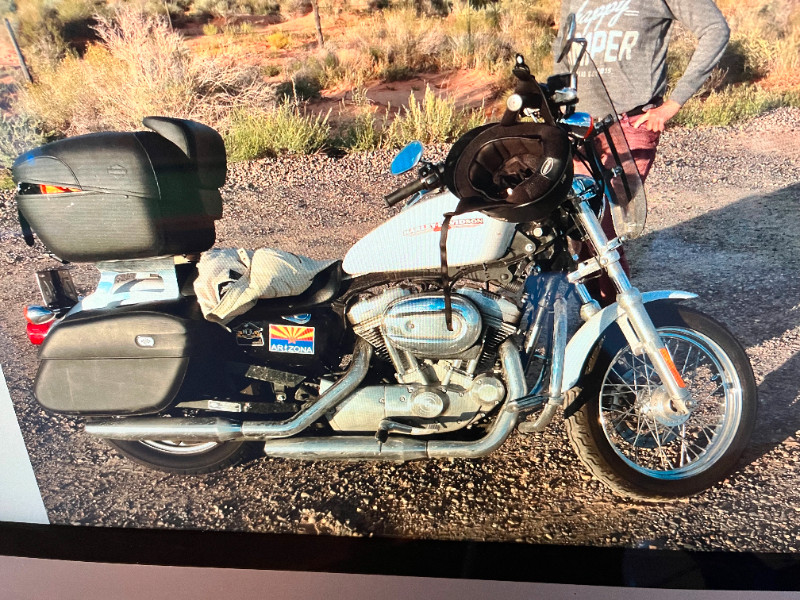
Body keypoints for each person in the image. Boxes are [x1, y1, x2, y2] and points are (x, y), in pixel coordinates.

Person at [560, 0, 730, 301]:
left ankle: (618, 320)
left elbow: (715, 29)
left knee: (602, 231)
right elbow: (563, 51)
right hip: (577, 126)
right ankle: (593, 318)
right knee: (575, 228)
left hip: (629, 123)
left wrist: (672, 104)